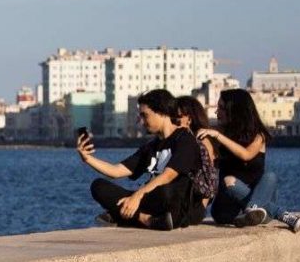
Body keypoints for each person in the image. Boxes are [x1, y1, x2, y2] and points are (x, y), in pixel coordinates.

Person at [78, 89, 207, 230]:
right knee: (99, 186)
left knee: (164, 189)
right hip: (151, 200)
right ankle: (144, 218)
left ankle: (123, 216)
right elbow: (116, 171)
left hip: (174, 202)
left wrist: (138, 195)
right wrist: (88, 159)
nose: (142, 121)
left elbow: (169, 175)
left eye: (145, 115)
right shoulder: (151, 146)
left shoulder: (185, 140)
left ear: (162, 112)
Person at [197, 89, 300, 232]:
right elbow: (207, 166)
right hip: (228, 210)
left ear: (235, 110)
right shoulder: (215, 133)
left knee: (270, 176)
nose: (217, 112)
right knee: (229, 181)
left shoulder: (258, 136)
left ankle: (252, 209)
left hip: (261, 208)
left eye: (222, 108)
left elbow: (246, 154)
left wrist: (218, 136)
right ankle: (279, 214)